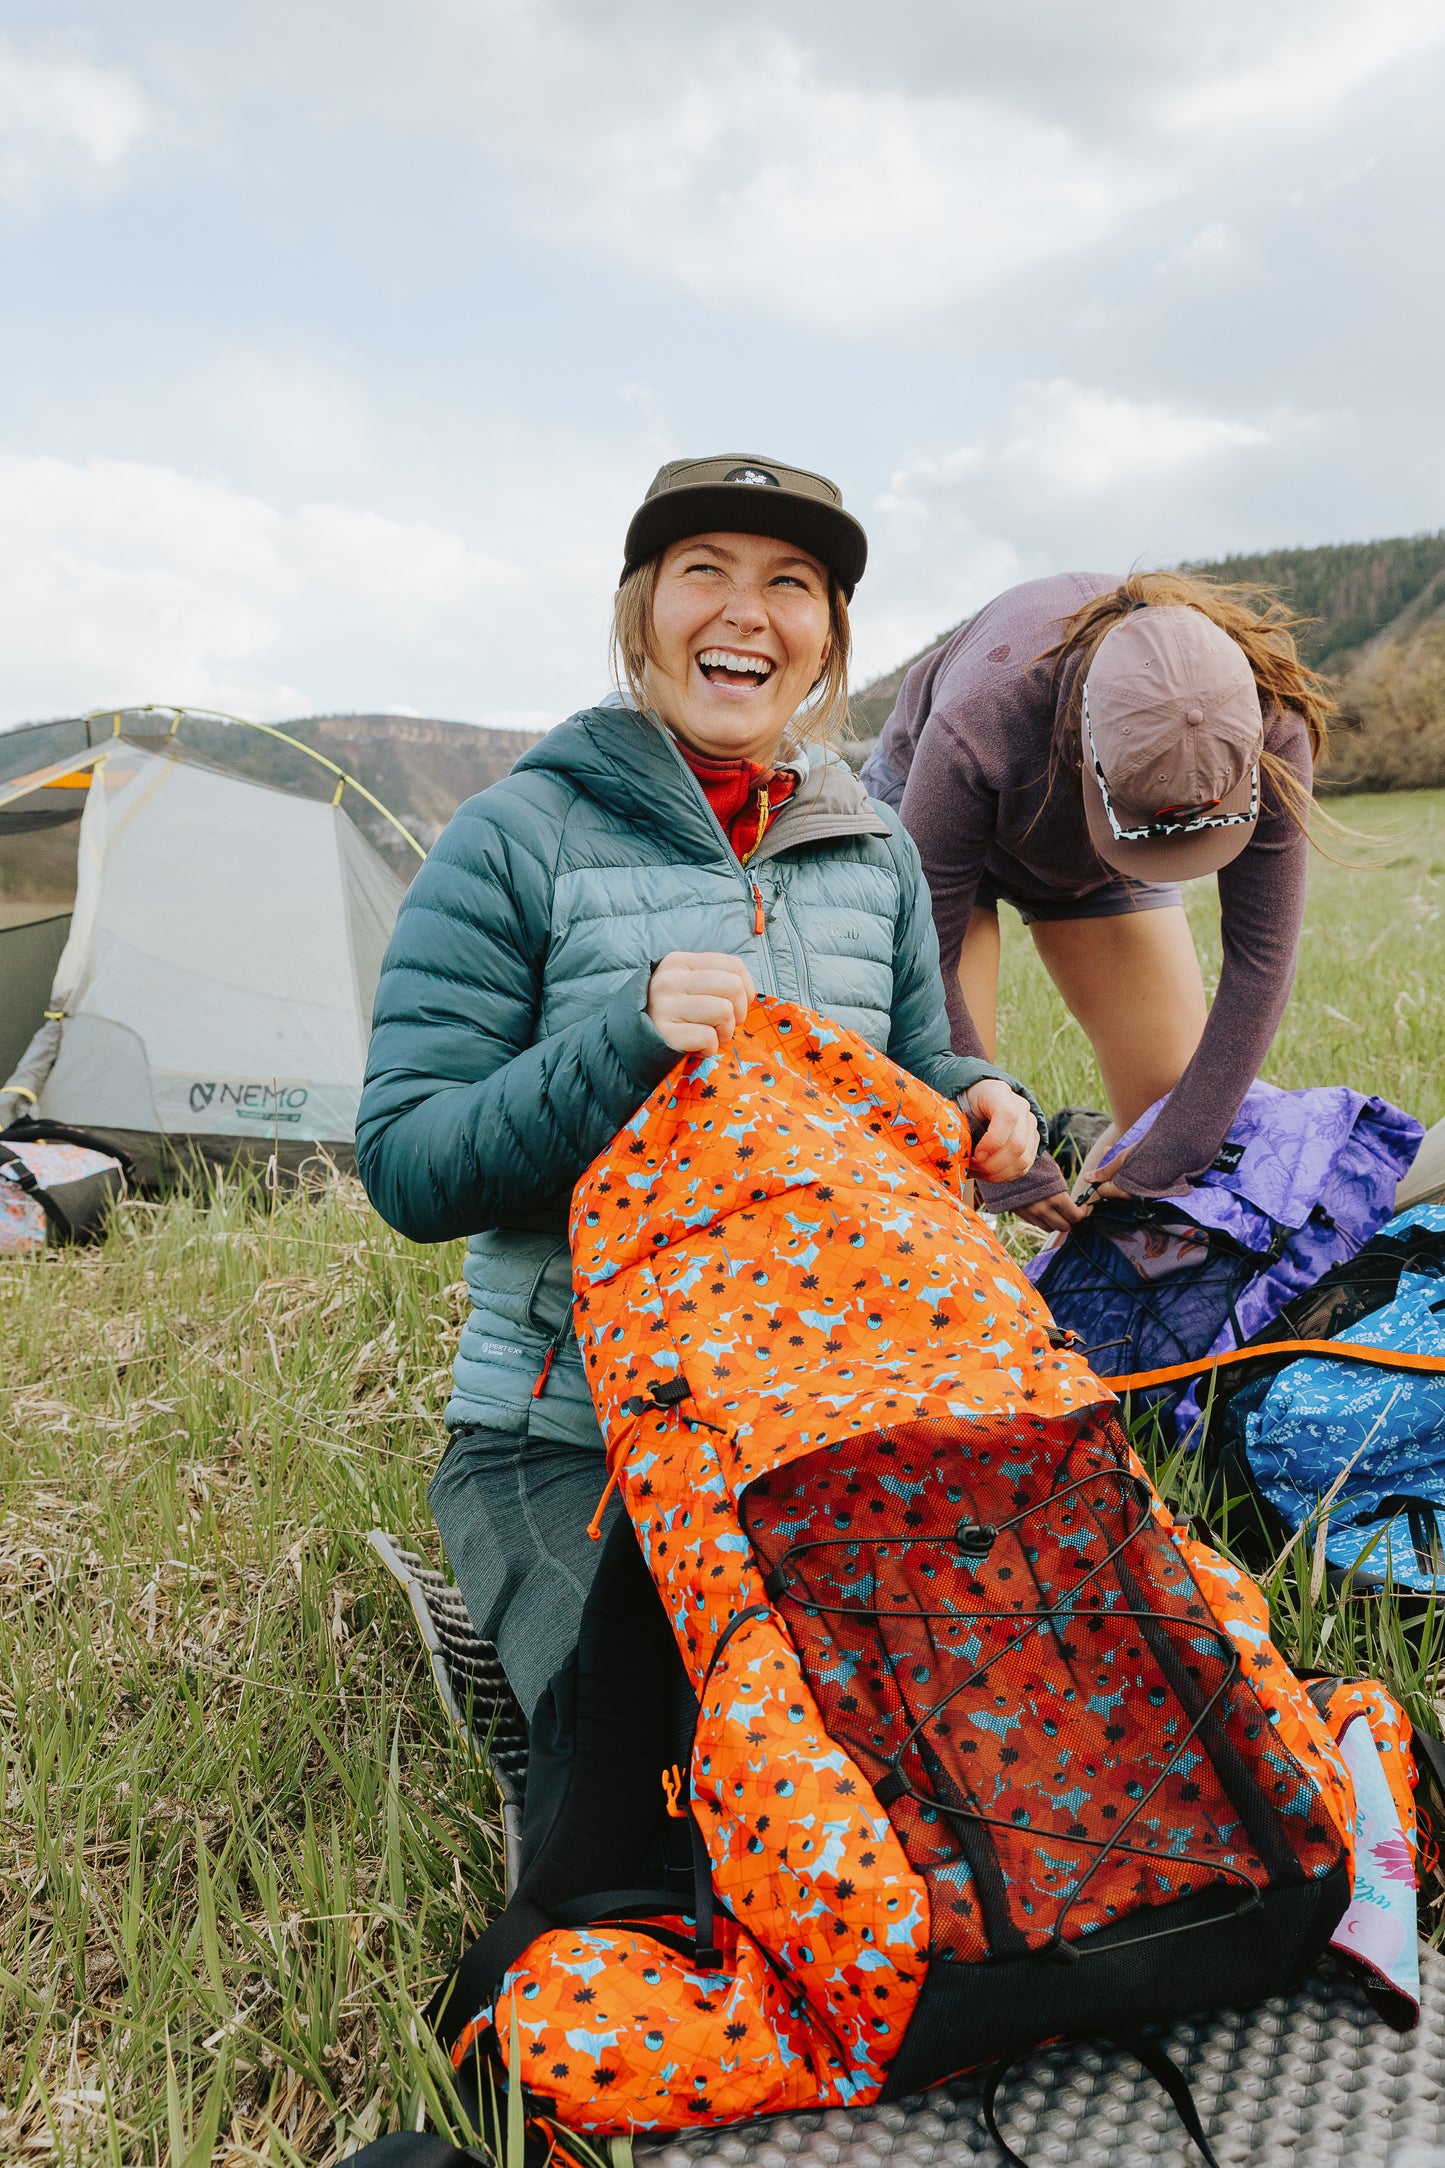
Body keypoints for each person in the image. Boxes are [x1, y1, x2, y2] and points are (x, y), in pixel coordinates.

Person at [356, 453, 1045, 1721]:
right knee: (687, 1743)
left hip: (832, 1415)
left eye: (789, 583)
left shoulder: (874, 846)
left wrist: (984, 1096)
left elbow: (909, 1069)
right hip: (572, 1435)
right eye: (703, 574)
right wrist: (622, 1040)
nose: (745, 611)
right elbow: (406, 1160)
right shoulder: (514, 836)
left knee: (950, 1713)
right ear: (641, 613)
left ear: (825, 638)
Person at [860, 570, 1335, 1233]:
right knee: (945, 1143)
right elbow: (923, 957)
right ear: (1087, 746)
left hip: (1128, 814)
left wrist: (1173, 1150)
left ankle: (1081, 1249)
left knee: (1166, 1106)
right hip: (930, 809)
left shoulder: (1267, 722)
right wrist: (1006, 1163)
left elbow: (1260, 963)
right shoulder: (979, 719)